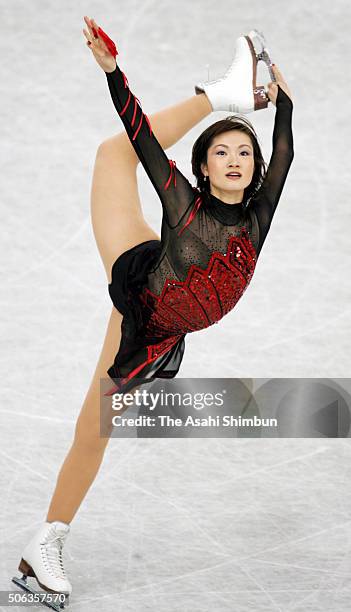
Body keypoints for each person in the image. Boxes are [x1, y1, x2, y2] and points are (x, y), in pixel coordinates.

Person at [12, 17, 294, 605]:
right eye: (222, 151)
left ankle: (222, 97)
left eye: (245, 151)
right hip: (142, 288)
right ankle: (46, 545)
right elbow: (138, 132)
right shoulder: (182, 203)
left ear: (255, 167)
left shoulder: (258, 218)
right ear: (204, 168)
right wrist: (113, 72)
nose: (236, 159)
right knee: (116, 152)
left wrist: (279, 101)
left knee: (98, 424)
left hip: (167, 322)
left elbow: (286, 150)